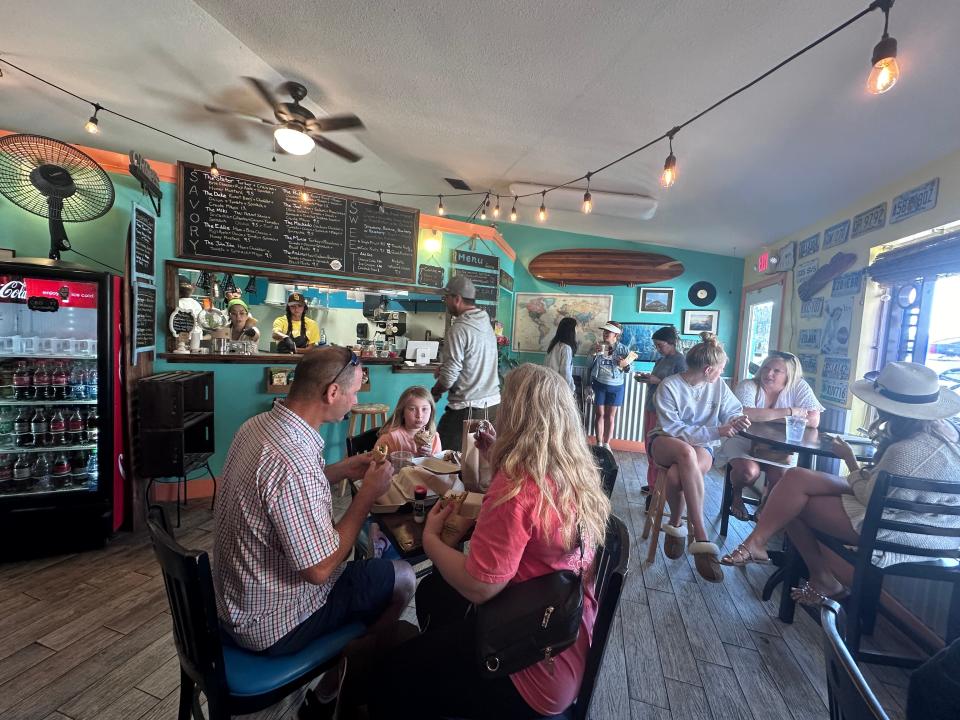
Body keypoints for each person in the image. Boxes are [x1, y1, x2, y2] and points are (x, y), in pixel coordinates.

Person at [369, 364, 612, 719]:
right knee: (437, 595)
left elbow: (480, 587)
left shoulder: (516, 485)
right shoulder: (573, 470)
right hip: (566, 636)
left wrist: (433, 540)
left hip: (529, 668)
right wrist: (495, 455)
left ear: (514, 414)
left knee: (390, 675)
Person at [212, 346, 416, 658]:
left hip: (235, 600)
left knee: (369, 573)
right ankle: (340, 681)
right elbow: (320, 569)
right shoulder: (294, 463)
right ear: (332, 392)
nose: (356, 401)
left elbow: (279, 492)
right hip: (270, 621)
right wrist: (366, 495)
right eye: (354, 392)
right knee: (403, 576)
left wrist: (342, 469)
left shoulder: (256, 426)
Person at [720, 362, 960, 605]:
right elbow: (879, 491)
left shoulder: (906, 451)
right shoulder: (946, 436)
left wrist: (850, 461)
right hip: (939, 532)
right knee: (794, 479)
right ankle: (760, 545)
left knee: (792, 501)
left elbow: (869, 496)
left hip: (900, 531)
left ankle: (816, 574)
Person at [648, 332, 750, 582]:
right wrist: (718, 430)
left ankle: (675, 525)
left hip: (702, 445)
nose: (721, 373)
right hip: (665, 440)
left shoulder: (718, 386)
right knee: (684, 452)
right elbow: (674, 430)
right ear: (708, 370)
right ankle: (702, 537)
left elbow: (732, 410)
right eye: (721, 369)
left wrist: (735, 421)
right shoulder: (670, 386)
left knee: (677, 473)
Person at [720, 351, 823, 520]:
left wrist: (766, 416)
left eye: (777, 371)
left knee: (782, 477)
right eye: (766, 368)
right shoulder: (748, 385)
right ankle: (736, 495)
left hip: (779, 446)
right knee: (748, 472)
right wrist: (790, 412)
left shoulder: (799, 387)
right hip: (742, 439)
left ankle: (766, 503)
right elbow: (746, 414)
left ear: (789, 375)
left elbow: (813, 419)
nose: (769, 374)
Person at [431, 275, 500, 451]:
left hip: (467, 408)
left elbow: (449, 376)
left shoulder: (459, 329)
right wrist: (447, 368)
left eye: (446, 297)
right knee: (479, 463)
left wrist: (435, 392)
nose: (445, 301)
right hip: (492, 407)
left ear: (457, 299)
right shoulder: (486, 324)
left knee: (443, 456)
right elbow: (474, 361)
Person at [636, 325, 687, 492]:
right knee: (649, 446)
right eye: (656, 345)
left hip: (664, 411)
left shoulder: (680, 361)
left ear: (671, 343)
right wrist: (647, 379)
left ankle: (657, 488)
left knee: (656, 449)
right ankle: (652, 484)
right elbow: (658, 379)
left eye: (660, 345)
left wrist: (657, 381)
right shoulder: (661, 360)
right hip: (651, 405)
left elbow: (682, 388)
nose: (658, 349)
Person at [589, 321, 632, 449]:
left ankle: (607, 445)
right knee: (599, 415)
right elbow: (588, 364)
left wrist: (625, 365)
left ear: (616, 334)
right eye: (604, 331)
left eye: (608, 331)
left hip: (616, 386)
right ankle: (599, 443)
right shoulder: (597, 346)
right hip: (599, 384)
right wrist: (593, 354)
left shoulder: (623, 349)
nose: (605, 333)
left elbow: (630, 369)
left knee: (610, 416)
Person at [378, 385, 443, 457]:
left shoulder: (434, 437)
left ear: (431, 412)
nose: (419, 415)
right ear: (402, 412)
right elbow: (377, 464)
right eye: (412, 409)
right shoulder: (389, 438)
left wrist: (429, 456)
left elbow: (438, 466)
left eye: (424, 409)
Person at [544, 316, 577, 393]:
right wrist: (570, 389)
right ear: (570, 331)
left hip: (548, 382)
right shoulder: (566, 348)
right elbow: (565, 372)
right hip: (558, 386)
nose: (576, 330)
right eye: (575, 328)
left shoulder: (555, 344)